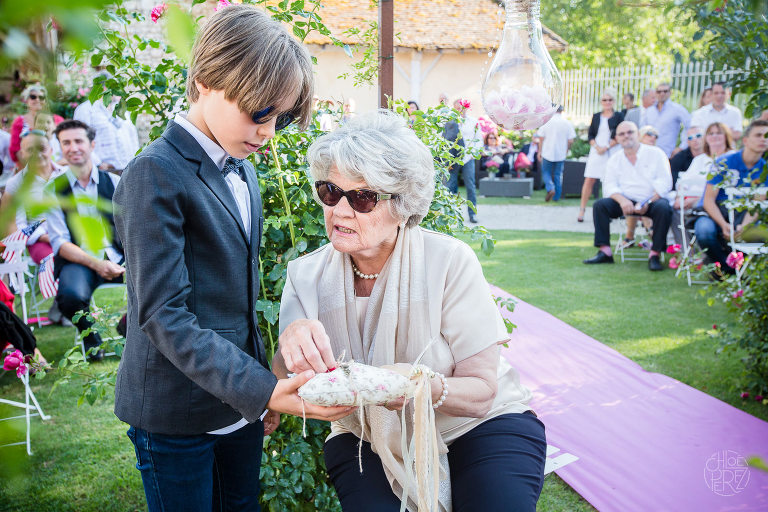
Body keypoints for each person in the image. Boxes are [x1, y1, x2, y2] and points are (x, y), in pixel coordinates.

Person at [111, 6, 354, 511]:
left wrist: (258, 390)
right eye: (259, 113)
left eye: (280, 118)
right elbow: (163, 314)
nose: (269, 132)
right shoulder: (153, 173)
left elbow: (237, 296)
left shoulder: (242, 167)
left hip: (238, 406)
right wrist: (262, 389)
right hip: (175, 415)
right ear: (205, 81)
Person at [276, 110, 546, 511]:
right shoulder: (305, 275)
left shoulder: (448, 261)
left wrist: (415, 386)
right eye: (330, 191)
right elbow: (285, 376)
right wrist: (290, 343)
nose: (340, 211)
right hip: (365, 435)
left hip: (477, 425)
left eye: (363, 198)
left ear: (403, 205)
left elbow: (481, 392)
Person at [44, 120, 124, 361]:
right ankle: (92, 339)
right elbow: (60, 242)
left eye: (78, 141)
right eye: (66, 143)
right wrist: (97, 264)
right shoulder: (52, 190)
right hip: (80, 260)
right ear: (60, 148)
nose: (73, 148)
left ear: (92, 144)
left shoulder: (114, 182)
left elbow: (131, 226)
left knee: (154, 283)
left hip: (119, 256)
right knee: (69, 297)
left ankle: (126, 328)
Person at [583, 121, 673, 271]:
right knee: (600, 205)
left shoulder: (656, 154)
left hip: (651, 199)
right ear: (617, 138)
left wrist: (647, 201)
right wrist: (622, 201)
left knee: (664, 208)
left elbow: (665, 183)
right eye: (621, 134)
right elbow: (609, 185)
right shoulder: (614, 159)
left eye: (630, 132)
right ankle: (605, 251)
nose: (626, 136)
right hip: (625, 200)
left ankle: (655, 254)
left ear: (638, 134)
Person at [693, 120, 768, 273]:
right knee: (704, 232)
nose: (763, 139)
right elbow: (708, 200)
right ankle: (728, 270)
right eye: (758, 135)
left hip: (745, 214)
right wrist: (723, 224)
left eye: (766, 136)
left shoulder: (765, 169)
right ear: (745, 140)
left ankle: (742, 271)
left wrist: (744, 226)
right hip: (715, 212)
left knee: (761, 235)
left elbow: (757, 203)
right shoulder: (724, 163)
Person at [1, 130, 65, 264]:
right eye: (30, 150)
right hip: (40, 240)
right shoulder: (17, 183)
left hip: (70, 235)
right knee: (54, 262)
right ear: (22, 154)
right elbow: (19, 224)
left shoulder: (67, 174)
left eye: (42, 148)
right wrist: (44, 237)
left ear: (51, 150)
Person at [669, 123, 734, 247]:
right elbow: (683, 182)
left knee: (705, 230)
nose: (714, 136)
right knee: (671, 208)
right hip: (693, 205)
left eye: (718, 133)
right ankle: (687, 251)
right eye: (711, 133)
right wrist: (680, 197)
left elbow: (725, 189)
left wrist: (696, 199)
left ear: (726, 136)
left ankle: (709, 254)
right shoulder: (699, 159)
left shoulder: (733, 157)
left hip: (719, 205)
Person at [73, 76, 140, 172]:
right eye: (117, 87)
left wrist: (136, 160)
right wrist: (98, 164)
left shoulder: (121, 108)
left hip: (128, 170)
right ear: (105, 88)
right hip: (104, 171)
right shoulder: (85, 110)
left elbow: (132, 135)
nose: (121, 91)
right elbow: (80, 139)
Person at [578, 88, 623, 222]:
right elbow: (591, 134)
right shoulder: (597, 116)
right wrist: (597, 147)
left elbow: (620, 134)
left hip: (612, 150)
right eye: (604, 100)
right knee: (589, 179)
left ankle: (607, 211)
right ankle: (582, 209)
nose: (607, 102)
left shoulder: (619, 116)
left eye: (610, 100)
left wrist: (607, 147)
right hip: (596, 151)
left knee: (608, 180)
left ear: (613, 101)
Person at [9, 84, 64, 166]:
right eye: (33, 97)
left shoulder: (58, 120)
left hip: (57, 165)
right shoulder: (19, 122)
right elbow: (16, 150)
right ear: (27, 100)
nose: (37, 100)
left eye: (41, 97)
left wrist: (51, 166)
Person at [447, 99, 482, 223]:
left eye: (462, 108)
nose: (460, 110)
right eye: (457, 108)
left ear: (466, 108)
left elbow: (479, 140)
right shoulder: (450, 122)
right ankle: (450, 215)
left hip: (468, 158)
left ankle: (472, 214)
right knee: (450, 186)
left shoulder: (474, 122)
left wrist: (473, 154)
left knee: (470, 186)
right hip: (453, 158)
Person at [536, 106, 576, 201]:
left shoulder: (546, 122)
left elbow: (541, 138)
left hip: (547, 152)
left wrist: (540, 151)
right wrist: (567, 149)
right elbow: (571, 140)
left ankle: (550, 187)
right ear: (562, 111)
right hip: (561, 153)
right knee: (558, 174)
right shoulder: (567, 123)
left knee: (546, 172)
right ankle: (556, 197)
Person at [642, 82, 691, 157]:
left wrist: (682, 147)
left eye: (665, 91)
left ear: (670, 92)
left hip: (669, 155)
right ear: (656, 93)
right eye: (659, 91)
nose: (662, 94)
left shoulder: (677, 109)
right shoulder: (649, 111)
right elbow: (643, 130)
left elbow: (690, 127)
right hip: (650, 153)